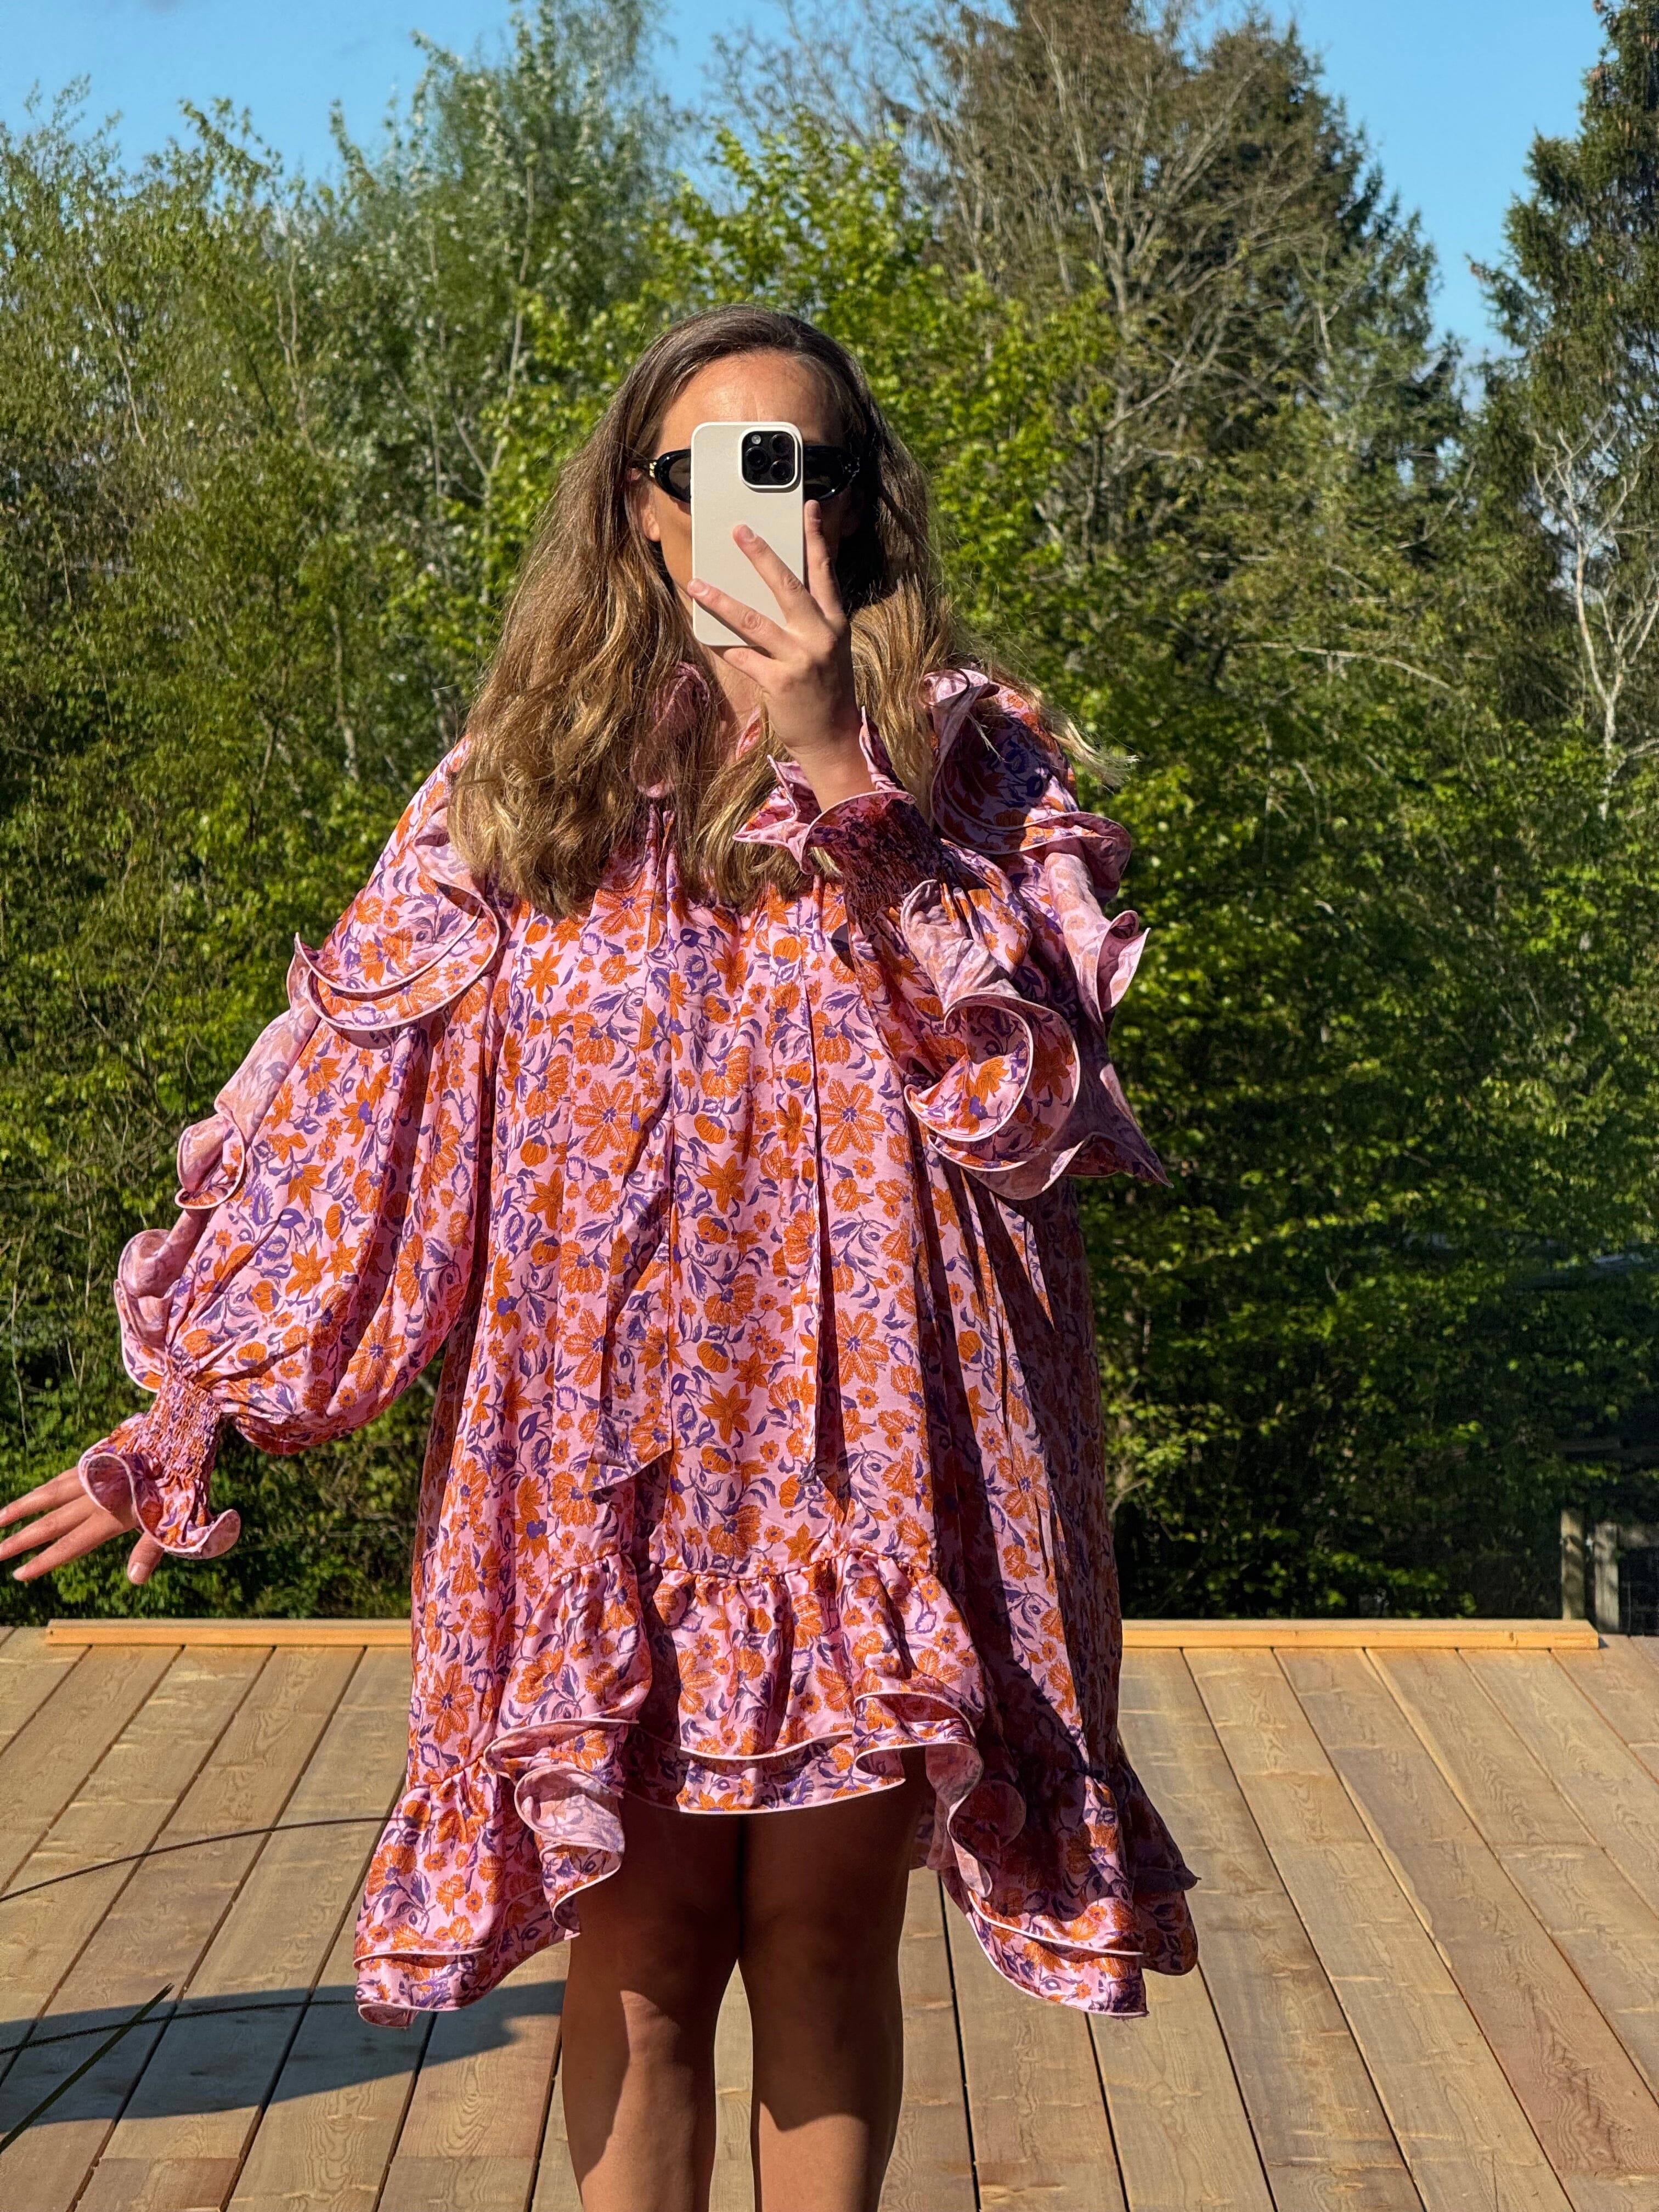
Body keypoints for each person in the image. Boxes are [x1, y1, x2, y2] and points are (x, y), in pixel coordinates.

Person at [0, 307, 1198, 2212]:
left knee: (823, 1943)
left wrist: (841, 768)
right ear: (640, 509)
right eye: (704, 468)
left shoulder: (973, 763)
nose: (750, 505)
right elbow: (357, 1109)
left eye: (795, 464)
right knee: (639, 1966)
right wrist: (201, 1401)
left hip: (875, 1463)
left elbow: (1026, 1100)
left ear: (857, 503)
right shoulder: (521, 784)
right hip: (592, 1475)